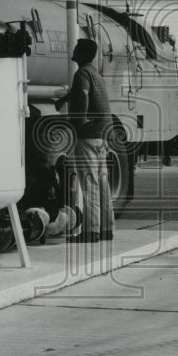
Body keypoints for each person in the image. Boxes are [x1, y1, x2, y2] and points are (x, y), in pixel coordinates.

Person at [56, 38, 114, 243]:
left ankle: (91, 232)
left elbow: (83, 99)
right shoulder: (95, 73)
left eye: (76, 48)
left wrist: (76, 125)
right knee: (102, 182)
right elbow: (82, 93)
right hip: (103, 134)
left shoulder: (81, 73)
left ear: (81, 53)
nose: (73, 50)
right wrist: (65, 99)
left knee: (89, 182)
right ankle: (107, 228)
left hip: (88, 134)